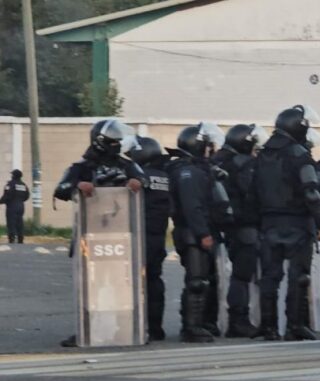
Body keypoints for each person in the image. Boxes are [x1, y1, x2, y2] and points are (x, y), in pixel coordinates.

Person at [55, 119, 146, 347]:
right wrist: (78, 186)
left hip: (123, 233)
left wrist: (137, 182)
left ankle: (123, 328)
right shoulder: (82, 167)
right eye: (113, 140)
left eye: (119, 140)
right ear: (101, 141)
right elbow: (61, 188)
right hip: (90, 235)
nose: (117, 144)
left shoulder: (127, 165)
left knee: (120, 283)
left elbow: (144, 180)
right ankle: (86, 329)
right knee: (88, 285)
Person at [253, 105, 320, 341]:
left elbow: (253, 191)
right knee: (299, 277)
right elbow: (310, 192)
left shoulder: (263, 154)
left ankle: (268, 326)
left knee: (269, 277)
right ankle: (295, 325)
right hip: (297, 222)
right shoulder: (299, 154)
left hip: (269, 223)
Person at [166, 122, 231, 343]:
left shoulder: (198, 169)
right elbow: (192, 206)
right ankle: (192, 326)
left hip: (200, 231)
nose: (210, 150)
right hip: (192, 233)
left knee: (206, 279)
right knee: (196, 281)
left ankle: (204, 323)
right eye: (207, 146)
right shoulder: (188, 172)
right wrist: (203, 233)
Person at [211, 123, 268, 339]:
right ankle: (239, 319)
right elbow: (251, 191)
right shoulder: (244, 164)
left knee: (217, 274)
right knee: (242, 275)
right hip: (244, 224)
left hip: (223, 224)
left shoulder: (218, 160)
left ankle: (212, 320)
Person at [127, 136, 171, 341]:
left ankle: (134, 326)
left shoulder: (138, 177)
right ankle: (155, 327)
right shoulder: (164, 176)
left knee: (132, 281)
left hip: (137, 234)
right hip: (158, 236)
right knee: (154, 280)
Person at [0, 170, 30, 244]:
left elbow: (7, 196)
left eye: (12, 175)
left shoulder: (10, 184)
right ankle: (20, 238)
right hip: (21, 206)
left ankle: (12, 238)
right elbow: (27, 196)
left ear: (14, 176)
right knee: (20, 222)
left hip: (12, 206)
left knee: (11, 222)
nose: (11, 176)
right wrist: (20, 200)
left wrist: (1, 201)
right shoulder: (23, 185)